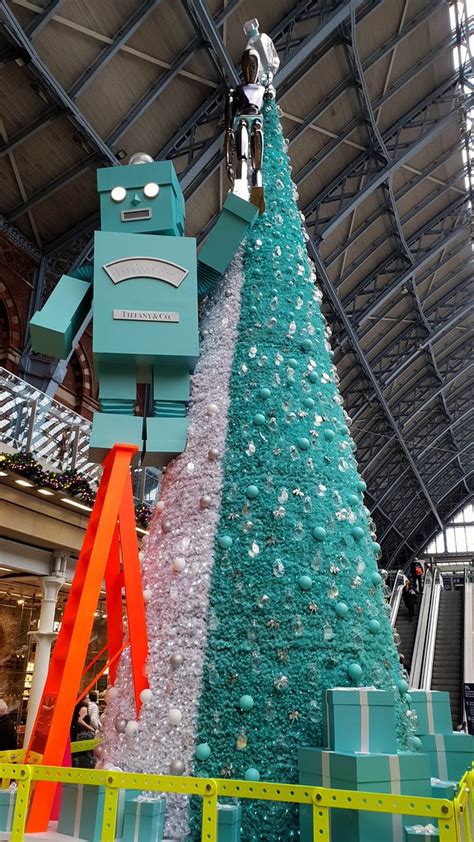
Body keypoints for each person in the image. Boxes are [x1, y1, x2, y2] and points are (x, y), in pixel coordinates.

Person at [70, 700, 95, 768]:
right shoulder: (84, 708)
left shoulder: (78, 707)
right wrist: (90, 728)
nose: (89, 700)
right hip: (81, 732)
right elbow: (79, 720)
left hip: (77, 731)